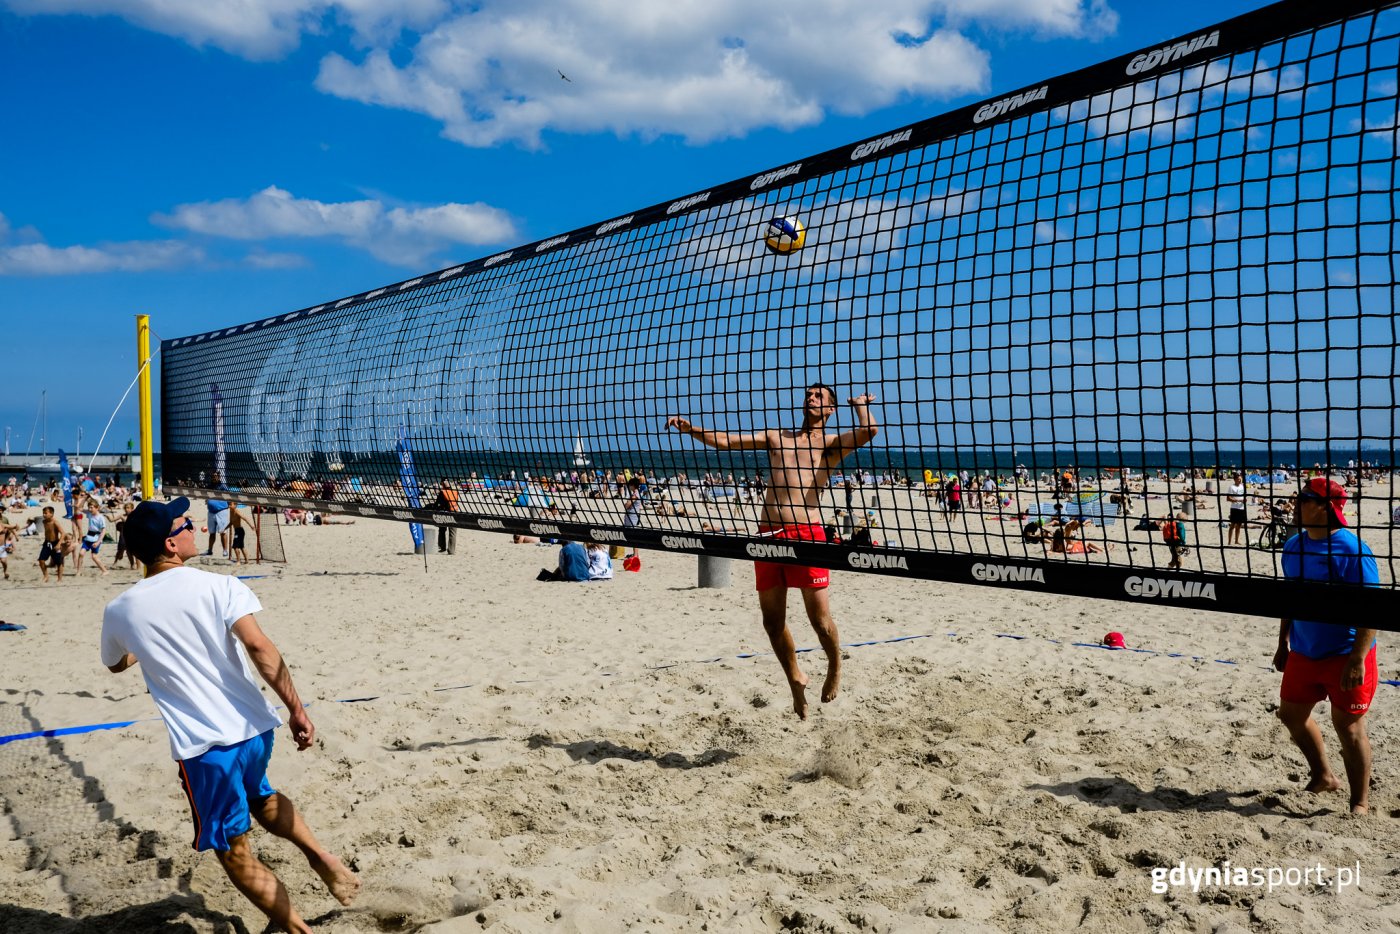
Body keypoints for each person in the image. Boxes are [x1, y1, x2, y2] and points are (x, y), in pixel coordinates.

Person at [100, 497, 360, 931]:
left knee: (233, 851)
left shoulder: (120, 610)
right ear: (170, 543)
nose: (195, 527)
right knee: (261, 797)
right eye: (185, 524)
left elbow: (115, 663)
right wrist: (297, 708)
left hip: (206, 748)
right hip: (255, 730)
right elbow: (260, 648)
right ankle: (322, 857)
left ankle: (298, 929)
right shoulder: (220, 585)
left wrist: (145, 648)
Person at [668, 384, 878, 719]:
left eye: (819, 396)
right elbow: (725, 441)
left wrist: (860, 405)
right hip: (768, 535)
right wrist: (691, 428)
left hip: (807, 536)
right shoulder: (777, 437)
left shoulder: (830, 446)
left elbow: (868, 431)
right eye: (809, 394)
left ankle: (835, 665)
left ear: (830, 410)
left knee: (820, 622)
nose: (811, 398)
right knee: (771, 622)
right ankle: (795, 676)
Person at [1274, 477, 1379, 815]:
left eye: (1304, 498)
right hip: (1304, 650)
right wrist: (1282, 643)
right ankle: (1323, 776)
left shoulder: (1353, 550)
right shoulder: (1293, 546)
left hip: (1345, 654)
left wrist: (1358, 658)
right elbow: (1289, 599)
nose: (1296, 503)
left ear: (1324, 507)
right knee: (1290, 714)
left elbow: (1370, 609)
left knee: (1348, 728)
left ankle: (1359, 803)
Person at [80, 502, 110, 576]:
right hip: (88, 538)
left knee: (94, 556)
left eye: (92, 507)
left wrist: (98, 542)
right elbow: (81, 509)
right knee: (81, 553)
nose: (90, 509)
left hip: (96, 538)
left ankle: (105, 570)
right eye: (89, 507)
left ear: (97, 508)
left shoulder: (101, 518)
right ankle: (78, 571)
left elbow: (103, 531)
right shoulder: (90, 514)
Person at [37, 505, 65, 583]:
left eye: (46, 513)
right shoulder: (44, 521)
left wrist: (59, 544)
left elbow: (63, 533)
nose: (44, 515)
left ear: (51, 514)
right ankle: (46, 576)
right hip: (47, 543)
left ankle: (60, 579)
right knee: (41, 560)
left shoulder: (55, 522)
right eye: (43, 513)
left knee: (59, 562)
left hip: (56, 543)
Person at [205, 473, 231, 557]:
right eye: (212, 476)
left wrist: (230, 505)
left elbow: (229, 495)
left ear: (219, 477)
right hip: (211, 511)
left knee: (222, 532)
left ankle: (225, 551)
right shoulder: (209, 486)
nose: (214, 477)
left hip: (222, 511)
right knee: (212, 533)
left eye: (215, 476)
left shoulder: (223, 486)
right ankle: (209, 550)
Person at [1226, 472, 1247, 546]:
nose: (1239, 480)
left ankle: (1236, 540)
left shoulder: (1242, 486)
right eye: (1238, 479)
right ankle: (1229, 541)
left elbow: (1243, 496)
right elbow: (1228, 498)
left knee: (1239, 525)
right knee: (1232, 525)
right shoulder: (1231, 487)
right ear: (1235, 480)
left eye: (1240, 479)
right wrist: (1237, 500)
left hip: (1241, 508)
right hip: (1234, 508)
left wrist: (1244, 500)